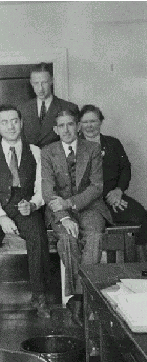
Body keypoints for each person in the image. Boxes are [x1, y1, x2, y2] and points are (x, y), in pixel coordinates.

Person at [0, 104, 51, 322]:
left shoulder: (36, 152)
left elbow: (42, 186)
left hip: (25, 205)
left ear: (21, 122)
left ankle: (39, 295)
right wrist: (1, 216)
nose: (10, 126)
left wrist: (34, 204)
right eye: (4, 122)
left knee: (38, 234)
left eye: (14, 120)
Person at [41, 110, 112, 326]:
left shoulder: (92, 148)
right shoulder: (47, 151)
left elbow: (97, 186)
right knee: (68, 240)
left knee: (94, 235)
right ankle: (82, 298)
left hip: (89, 206)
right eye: (61, 125)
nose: (66, 129)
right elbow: (47, 190)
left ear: (77, 126)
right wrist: (64, 217)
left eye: (70, 124)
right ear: (55, 129)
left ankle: (79, 298)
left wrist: (71, 203)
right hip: (59, 211)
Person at [79, 104, 147, 262]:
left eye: (93, 121)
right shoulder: (75, 147)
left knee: (141, 215)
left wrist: (118, 191)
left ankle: (141, 269)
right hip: (89, 204)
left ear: (101, 122)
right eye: (85, 122)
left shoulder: (113, 144)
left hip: (114, 197)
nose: (89, 126)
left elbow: (125, 169)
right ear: (79, 124)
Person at [18, 62, 79, 148]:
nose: (40, 88)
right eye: (36, 83)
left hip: (57, 159)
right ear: (31, 83)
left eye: (44, 82)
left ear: (51, 81)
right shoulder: (22, 109)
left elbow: (74, 142)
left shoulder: (68, 107)